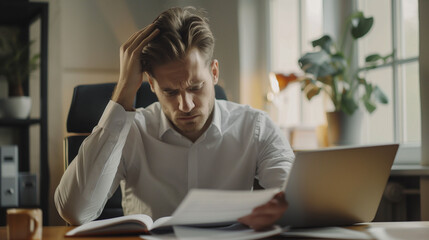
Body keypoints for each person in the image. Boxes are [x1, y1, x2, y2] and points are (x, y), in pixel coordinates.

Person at [55, 6, 294, 231]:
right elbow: (74, 211)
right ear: (151, 84)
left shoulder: (255, 127)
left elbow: (297, 202)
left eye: (196, 87)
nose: (186, 105)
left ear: (214, 72)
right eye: (170, 92)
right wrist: (123, 92)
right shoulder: (132, 133)